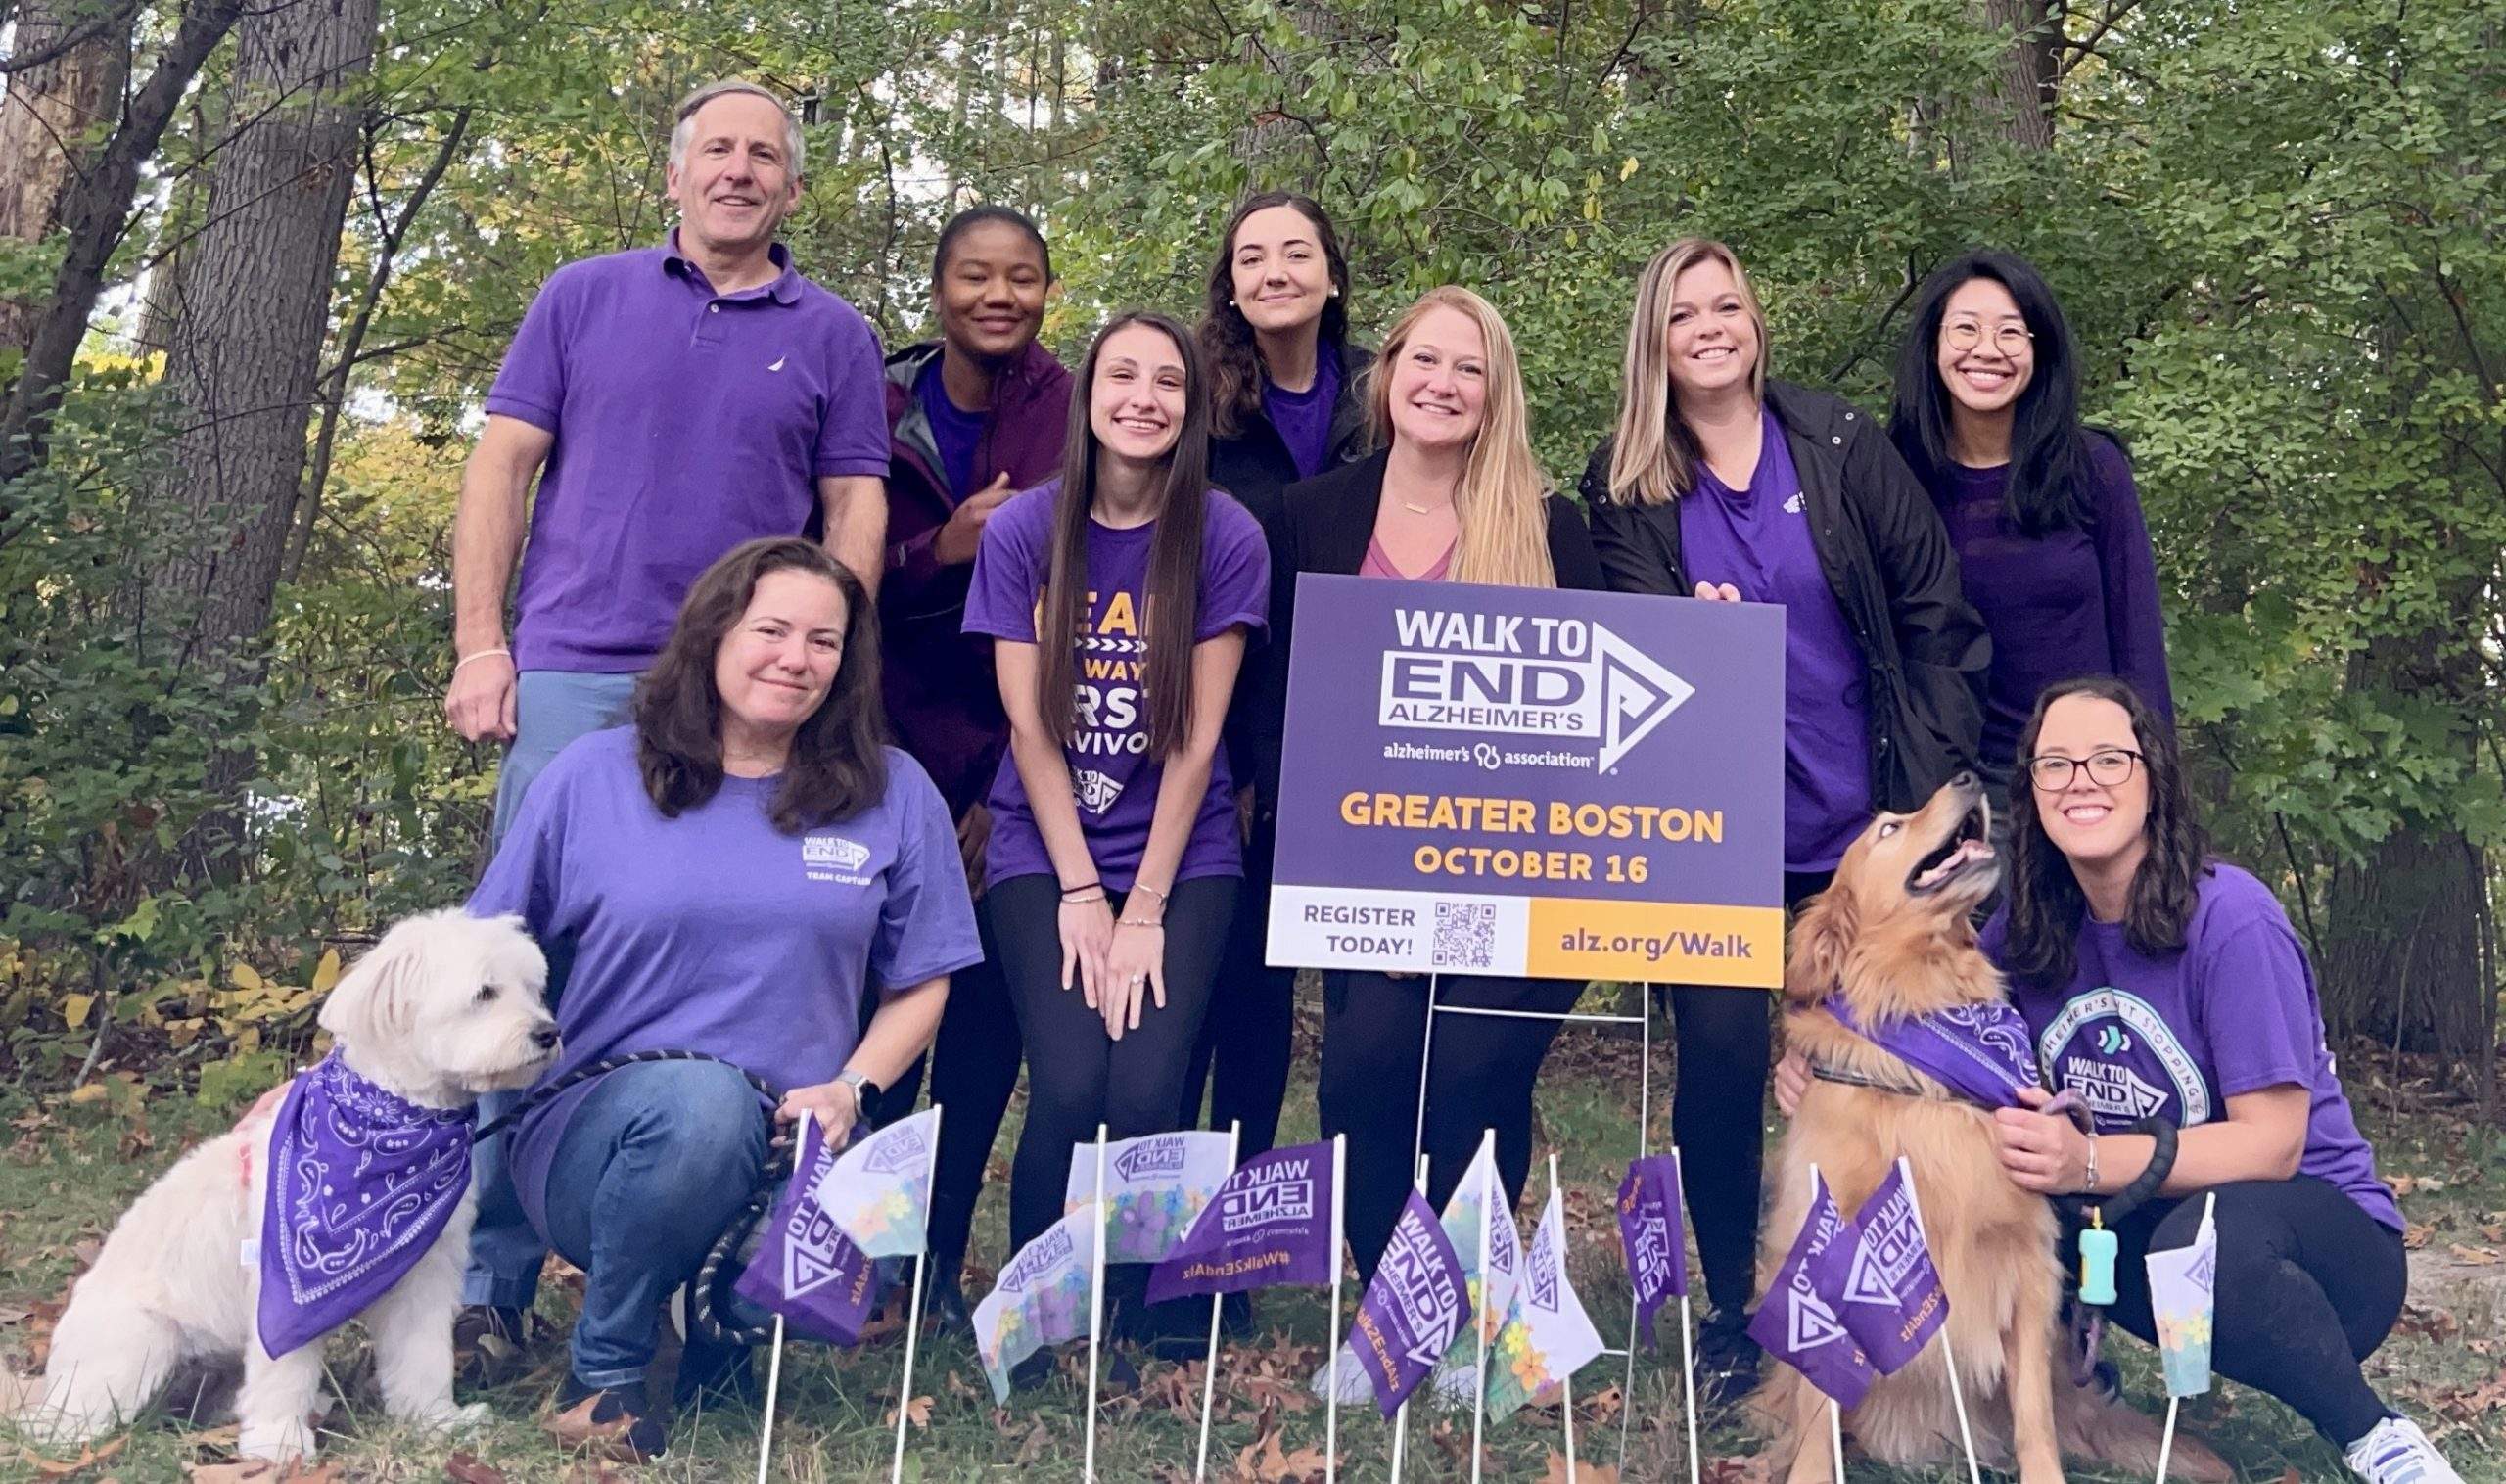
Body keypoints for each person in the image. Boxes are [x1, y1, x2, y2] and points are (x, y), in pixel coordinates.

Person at [441, 79, 893, 1367]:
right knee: (517, 971)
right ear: (676, 176)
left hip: (753, 687)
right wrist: (486, 643)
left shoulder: (836, 336)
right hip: (582, 666)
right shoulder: (581, 297)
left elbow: (853, 509)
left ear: (794, 189)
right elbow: (500, 469)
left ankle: (712, 1265)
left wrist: (834, 653)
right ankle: (489, 1286)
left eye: (766, 157)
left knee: (739, 964)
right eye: (719, 152)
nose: (741, 171)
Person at [469, 538, 980, 1461]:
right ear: (712, 635)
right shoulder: (591, 776)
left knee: (863, 1260)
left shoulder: (894, 793)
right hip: (602, 1141)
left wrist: (850, 1089)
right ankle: (608, 1371)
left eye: (824, 642)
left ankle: (709, 1330)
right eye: (772, 630)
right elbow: (479, 957)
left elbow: (922, 982)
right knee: (700, 1107)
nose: (797, 658)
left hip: (797, 1149)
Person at [1580, 238, 1986, 1390]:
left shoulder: (1842, 443)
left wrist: (1930, 802)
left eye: (1728, 305)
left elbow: (1934, 618)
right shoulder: (1625, 484)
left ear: (1755, 322)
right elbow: (1631, 657)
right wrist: (1684, 630)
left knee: (1894, 1063)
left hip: (1865, 829)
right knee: (1716, 1061)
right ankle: (1728, 1306)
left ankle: (1912, 1310)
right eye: (1683, 313)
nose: (1711, 326)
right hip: (1715, 839)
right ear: (1652, 342)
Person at [1983, 676, 2453, 1484]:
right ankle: (2069, 1385)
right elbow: (1926, 1019)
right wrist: (1819, 1049)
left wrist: (2087, 1163)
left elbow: (2272, 1146)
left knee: (2189, 1240)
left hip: (2317, 1254)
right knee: (2000, 1177)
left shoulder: (2231, 918)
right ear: (2030, 789)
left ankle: (2377, 1438)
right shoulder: (2025, 928)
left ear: (2154, 778)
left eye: (2108, 759)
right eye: (2055, 764)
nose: (2081, 781)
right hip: (2149, 1231)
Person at [1255, 285, 1605, 1279]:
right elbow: (1284, 700)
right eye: (1426, 360)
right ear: (1388, 371)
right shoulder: (1312, 516)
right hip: (1363, 869)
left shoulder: (1546, 525)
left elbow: (1587, 727)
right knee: (1365, 1071)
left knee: (1470, 1069)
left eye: (1469, 368)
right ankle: (1385, 1294)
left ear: (1495, 396)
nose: (1442, 384)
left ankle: (1471, 1292)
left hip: (1517, 874)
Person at [960, 311, 1270, 1354]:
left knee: (1146, 1087)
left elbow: (1198, 741)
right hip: (1043, 851)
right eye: (1122, 375)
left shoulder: (1225, 534)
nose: (1143, 397)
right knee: (1072, 1080)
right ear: (1090, 395)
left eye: (1167, 381)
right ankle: (1034, 1321)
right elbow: (1031, 728)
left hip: (1184, 859)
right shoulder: (1021, 533)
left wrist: (1144, 904)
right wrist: (1083, 891)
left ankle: (1146, 1311)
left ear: (1190, 406)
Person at [871, 204, 1072, 1329]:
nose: (998, 296)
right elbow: (835, 561)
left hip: (1013, 748)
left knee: (987, 1015)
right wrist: (935, 549)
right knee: (886, 1009)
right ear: (940, 286)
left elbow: (1092, 592)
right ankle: (855, 1254)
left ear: (1047, 290)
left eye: (1022, 278)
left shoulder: (1073, 407)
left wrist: (1013, 783)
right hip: (885, 738)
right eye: (974, 276)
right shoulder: (886, 401)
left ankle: (939, 1263)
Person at [1186, 192, 1374, 1191]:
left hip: (1362, 742)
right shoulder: (1198, 409)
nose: (1274, 272)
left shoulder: (1382, 402)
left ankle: (1270, 1229)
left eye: (1295, 253)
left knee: (1353, 1006)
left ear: (1330, 275)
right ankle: (1178, 1245)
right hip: (1228, 740)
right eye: (1251, 257)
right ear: (1231, 283)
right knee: (1232, 997)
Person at [1887, 250, 2172, 804]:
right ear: (1932, 346)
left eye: (2011, 333)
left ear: (2040, 350)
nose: (1987, 350)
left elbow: (2139, 639)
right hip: (1951, 787)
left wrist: (2155, 782)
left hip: (2084, 776)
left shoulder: (2092, 467)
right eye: (1965, 329)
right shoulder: (1891, 475)